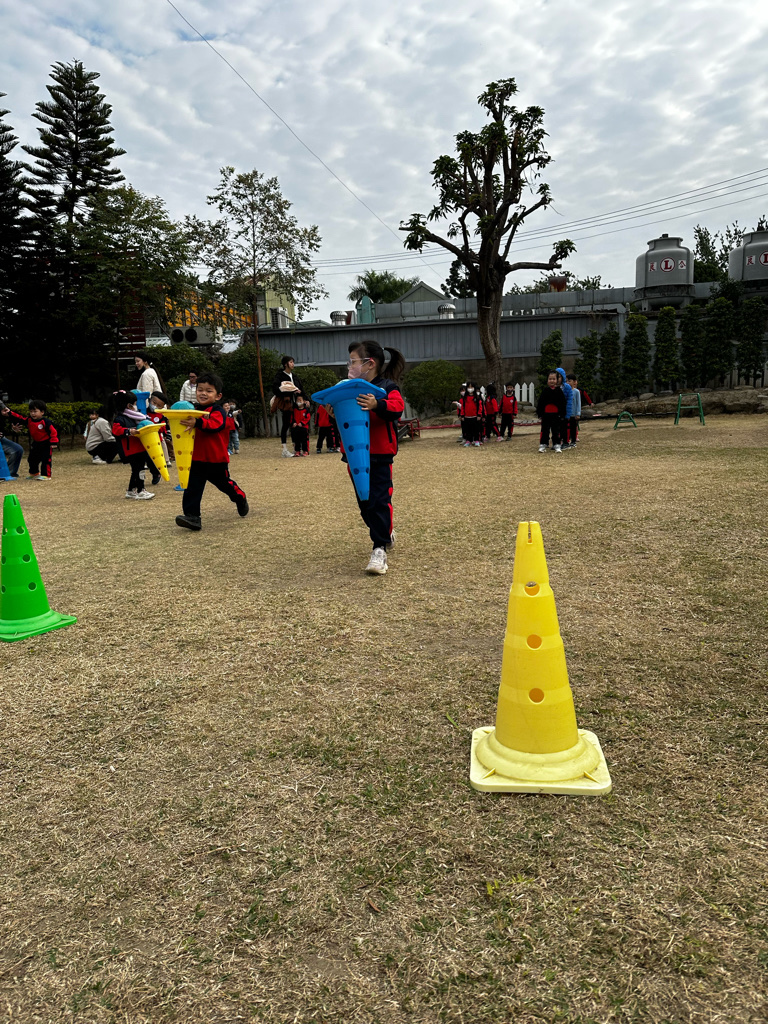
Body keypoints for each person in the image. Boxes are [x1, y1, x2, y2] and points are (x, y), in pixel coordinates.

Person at [332, 340, 404, 575]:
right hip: (355, 456)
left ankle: (379, 549)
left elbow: (397, 407)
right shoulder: (347, 388)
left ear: (369, 363)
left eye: (353, 361)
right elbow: (338, 411)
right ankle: (385, 533)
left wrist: (377, 404)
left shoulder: (386, 387)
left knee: (379, 500)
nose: (350, 366)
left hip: (380, 455)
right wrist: (331, 409)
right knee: (365, 504)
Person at [175, 372, 249, 531]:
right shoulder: (192, 410)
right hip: (196, 458)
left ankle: (240, 497)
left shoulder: (217, 411)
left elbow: (215, 425)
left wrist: (197, 422)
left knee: (225, 484)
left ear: (218, 396)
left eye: (209, 391)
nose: (203, 393)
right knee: (192, 487)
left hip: (216, 459)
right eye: (200, 389)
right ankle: (193, 517)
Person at [111, 391, 154, 499]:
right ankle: (140, 490)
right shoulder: (120, 418)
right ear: (129, 405)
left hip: (139, 447)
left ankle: (131, 490)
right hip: (131, 449)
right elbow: (116, 431)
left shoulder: (135, 417)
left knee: (136, 470)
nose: (136, 406)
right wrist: (129, 431)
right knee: (139, 469)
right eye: (134, 404)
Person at [2, 400, 59, 479]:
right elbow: (20, 418)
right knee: (32, 459)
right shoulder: (29, 420)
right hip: (36, 443)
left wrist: (54, 442)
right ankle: (34, 473)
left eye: (35, 411)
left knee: (46, 460)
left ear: (42, 412)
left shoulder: (46, 422)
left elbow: (53, 432)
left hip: (46, 444)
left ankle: (46, 475)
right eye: (31, 411)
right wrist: (10, 413)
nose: (32, 414)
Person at [272, 355, 305, 459]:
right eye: (291, 362)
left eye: (293, 362)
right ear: (285, 364)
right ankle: (284, 450)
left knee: (295, 426)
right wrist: (290, 391)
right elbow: (276, 389)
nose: (293, 364)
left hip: (296, 404)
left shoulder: (294, 376)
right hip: (286, 404)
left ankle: (296, 449)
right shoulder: (280, 376)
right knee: (286, 425)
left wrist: (306, 399)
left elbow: (301, 389)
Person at [536, 372, 566, 453]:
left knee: (555, 431)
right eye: (550, 379)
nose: (552, 381)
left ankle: (557, 445)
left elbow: (562, 403)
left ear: (557, 380)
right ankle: (543, 444)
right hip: (546, 415)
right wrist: (540, 413)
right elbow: (541, 403)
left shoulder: (559, 391)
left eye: (553, 379)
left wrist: (562, 414)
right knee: (545, 430)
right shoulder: (545, 391)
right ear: (547, 380)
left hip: (556, 415)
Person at [0, 401, 23, 477]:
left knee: (17, 450)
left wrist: (13, 427)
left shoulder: (4, 411)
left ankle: (9, 473)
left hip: (1, 440)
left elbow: (19, 419)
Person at [556, 367, 574, 452]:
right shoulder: (553, 387)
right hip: (555, 412)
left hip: (564, 411)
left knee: (564, 428)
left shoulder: (567, 387)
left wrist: (568, 413)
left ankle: (566, 442)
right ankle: (557, 443)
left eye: (559, 376)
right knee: (556, 428)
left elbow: (569, 400)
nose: (558, 379)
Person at [461, 381, 483, 447]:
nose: (470, 388)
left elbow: (480, 406)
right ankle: (468, 441)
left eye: (471, 387)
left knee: (476, 429)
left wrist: (479, 415)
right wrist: (462, 415)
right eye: (469, 387)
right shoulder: (465, 398)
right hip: (467, 416)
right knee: (468, 430)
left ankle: (476, 440)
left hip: (475, 416)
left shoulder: (477, 397)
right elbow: (463, 407)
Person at [565, 374, 582, 447]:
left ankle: (573, 441)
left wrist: (578, 413)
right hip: (566, 413)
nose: (567, 383)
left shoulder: (576, 391)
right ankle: (565, 440)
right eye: (566, 381)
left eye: (569, 381)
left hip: (573, 414)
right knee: (565, 427)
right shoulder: (565, 391)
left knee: (573, 428)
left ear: (574, 382)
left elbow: (578, 403)